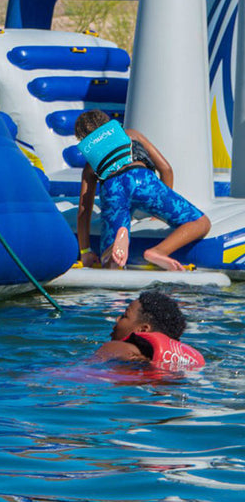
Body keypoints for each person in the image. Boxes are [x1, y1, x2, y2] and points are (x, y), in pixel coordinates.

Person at [74, 109, 211, 272]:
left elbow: (84, 210)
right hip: (141, 179)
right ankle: (158, 251)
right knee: (201, 223)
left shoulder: (90, 165)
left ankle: (118, 239)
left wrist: (85, 252)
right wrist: (159, 211)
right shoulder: (131, 135)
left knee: (110, 265)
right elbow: (166, 169)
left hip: (112, 189)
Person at [93, 289, 205, 370]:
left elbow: (87, 372)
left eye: (125, 316)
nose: (117, 319)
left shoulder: (116, 348)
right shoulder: (174, 365)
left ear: (143, 329)